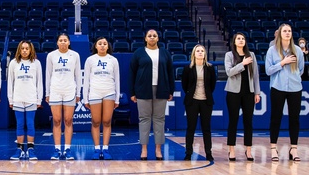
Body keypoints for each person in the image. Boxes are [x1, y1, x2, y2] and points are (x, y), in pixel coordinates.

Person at [130, 29, 175, 161]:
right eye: (149, 36)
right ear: (145, 38)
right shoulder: (139, 53)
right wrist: (132, 92)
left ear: (158, 38)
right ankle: (144, 149)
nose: (152, 38)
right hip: (143, 90)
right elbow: (132, 73)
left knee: (159, 120)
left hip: (161, 89)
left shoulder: (165, 53)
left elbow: (170, 73)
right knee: (144, 119)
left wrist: (170, 90)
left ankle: (158, 149)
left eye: (154, 36)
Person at [266, 23, 304, 161]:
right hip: (278, 87)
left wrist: (294, 78)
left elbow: (301, 69)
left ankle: (294, 148)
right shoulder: (272, 50)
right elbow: (268, 70)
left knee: (294, 119)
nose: (287, 33)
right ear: (280, 33)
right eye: (285, 31)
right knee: (276, 118)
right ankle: (273, 148)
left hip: (295, 88)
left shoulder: (298, 51)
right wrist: (282, 63)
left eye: (289, 31)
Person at [223, 32, 260, 161]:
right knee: (233, 120)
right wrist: (242, 64)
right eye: (238, 38)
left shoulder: (252, 55)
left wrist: (257, 92)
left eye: (243, 39)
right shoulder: (229, 55)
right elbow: (229, 72)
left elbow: (255, 75)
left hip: (248, 92)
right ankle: (231, 150)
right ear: (234, 41)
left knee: (248, 122)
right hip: (233, 92)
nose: (241, 40)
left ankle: (248, 150)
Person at [45, 33, 82, 160]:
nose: (63, 42)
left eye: (65, 40)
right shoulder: (51, 55)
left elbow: (78, 75)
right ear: (57, 43)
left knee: (68, 120)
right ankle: (56, 149)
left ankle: (67, 149)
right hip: (55, 90)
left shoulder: (75, 55)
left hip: (69, 91)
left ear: (69, 42)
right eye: (60, 40)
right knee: (56, 121)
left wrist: (78, 93)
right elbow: (48, 75)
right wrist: (47, 93)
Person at [84, 37, 120, 160]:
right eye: (100, 44)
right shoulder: (90, 60)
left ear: (108, 46)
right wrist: (85, 98)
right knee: (95, 121)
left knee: (106, 121)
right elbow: (86, 80)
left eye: (105, 44)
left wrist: (117, 99)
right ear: (95, 46)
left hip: (109, 92)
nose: (103, 46)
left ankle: (105, 148)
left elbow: (117, 80)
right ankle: (96, 148)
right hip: (94, 92)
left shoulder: (113, 60)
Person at [7, 40, 43, 161]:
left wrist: (39, 99)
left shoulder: (36, 63)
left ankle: (31, 149)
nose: (24, 50)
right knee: (20, 124)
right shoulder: (13, 63)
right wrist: (10, 99)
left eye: (27, 48)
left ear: (31, 50)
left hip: (31, 98)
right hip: (18, 98)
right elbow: (10, 83)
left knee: (30, 123)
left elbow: (39, 82)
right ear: (19, 50)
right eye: (22, 48)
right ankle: (20, 149)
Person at [181, 43, 216, 162]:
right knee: (191, 128)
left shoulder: (210, 68)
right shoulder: (188, 68)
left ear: (205, 54)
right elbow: (184, 85)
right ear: (194, 54)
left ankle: (208, 153)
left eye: (202, 51)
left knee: (206, 128)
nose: (200, 52)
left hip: (206, 101)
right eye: (198, 51)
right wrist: (191, 94)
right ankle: (188, 153)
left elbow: (212, 85)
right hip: (192, 101)